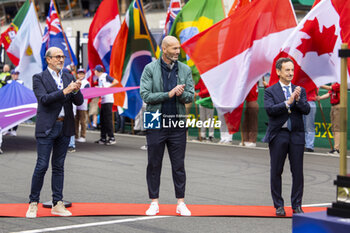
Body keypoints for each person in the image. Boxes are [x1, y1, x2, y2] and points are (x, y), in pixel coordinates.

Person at [26, 47, 84, 218]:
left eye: (62, 56)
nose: (61, 59)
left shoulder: (68, 76)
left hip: (64, 126)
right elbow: (44, 100)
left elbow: (79, 101)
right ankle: (33, 203)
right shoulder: (39, 78)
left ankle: (57, 203)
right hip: (47, 127)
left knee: (59, 166)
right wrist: (65, 91)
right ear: (48, 59)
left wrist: (76, 89)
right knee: (42, 165)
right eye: (57, 57)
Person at [140, 35, 194, 216]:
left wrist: (181, 94)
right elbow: (146, 95)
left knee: (179, 164)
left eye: (178, 48)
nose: (178, 52)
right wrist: (168, 94)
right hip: (155, 121)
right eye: (174, 49)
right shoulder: (149, 68)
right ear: (164, 49)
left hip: (177, 122)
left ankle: (181, 202)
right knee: (153, 163)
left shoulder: (185, 69)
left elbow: (190, 96)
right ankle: (154, 202)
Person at [262, 57, 310, 216]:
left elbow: (306, 110)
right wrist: (287, 103)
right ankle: (279, 205)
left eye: (292, 70)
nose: (290, 73)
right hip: (279, 135)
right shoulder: (270, 90)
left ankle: (297, 205)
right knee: (276, 170)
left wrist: (297, 100)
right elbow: (270, 110)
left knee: (298, 171)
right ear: (278, 72)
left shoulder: (299, 90)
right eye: (287, 70)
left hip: (296, 135)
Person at [94, 65, 118, 145]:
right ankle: (103, 137)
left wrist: (108, 87)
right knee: (102, 119)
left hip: (108, 100)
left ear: (97, 71)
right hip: (103, 100)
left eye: (95, 71)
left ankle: (112, 137)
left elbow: (116, 81)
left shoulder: (105, 76)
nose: (94, 72)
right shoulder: (100, 78)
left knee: (108, 119)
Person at [317, 83, 340, 155]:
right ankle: (335, 147)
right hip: (333, 107)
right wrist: (320, 98)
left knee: (337, 128)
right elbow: (328, 94)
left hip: (339, 107)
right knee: (333, 128)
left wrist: (319, 84)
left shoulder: (339, 83)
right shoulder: (335, 84)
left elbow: (330, 88)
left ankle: (337, 148)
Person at [75, 68, 90, 143]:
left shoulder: (86, 83)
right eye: (79, 73)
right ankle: (76, 135)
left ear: (84, 75)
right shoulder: (75, 82)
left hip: (83, 105)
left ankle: (83, 136)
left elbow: (87, 93)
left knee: (83, 121)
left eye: (82, 74)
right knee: (76, 120)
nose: (80, 75)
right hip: (75, 105)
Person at [303, 88, 318, 152]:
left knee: (309, 125)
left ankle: (309, 146)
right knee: (302, 125)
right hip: (302, 102)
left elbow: (316, 91)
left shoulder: (313, 82)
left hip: (310, 102)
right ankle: (304, 144)